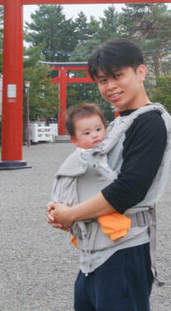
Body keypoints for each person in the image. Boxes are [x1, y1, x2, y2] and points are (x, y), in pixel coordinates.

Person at [46, 39, 171, 311]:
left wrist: (71, 214)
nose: (110, 86)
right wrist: (60, 206)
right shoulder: (114, 124)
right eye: (103, 80)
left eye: (117, 76)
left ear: (140, 72)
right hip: (93, 254)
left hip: (125, 251)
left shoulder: (150, 121)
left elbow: (128, 190)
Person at [51, 103, 135, 247]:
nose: (95, 135)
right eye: (87, 133)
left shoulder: (102, 149)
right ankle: (116, 230)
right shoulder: (85, 156)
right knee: (108, 212)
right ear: (75, 140)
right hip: (89, 198)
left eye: (98, 129)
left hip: (83, 205)